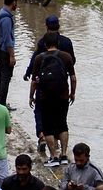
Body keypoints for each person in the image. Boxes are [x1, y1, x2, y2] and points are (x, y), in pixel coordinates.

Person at [27, 31, 76, 167]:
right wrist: (72, 93)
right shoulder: (66, 56)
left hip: (45, 97)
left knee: (48, 127)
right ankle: (64, 155)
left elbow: (34, 81)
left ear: (45, 44)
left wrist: (31, 96)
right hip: (63, 96)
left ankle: (54, 157)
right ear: (58, 43)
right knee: (62, 124)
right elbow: (72, 77)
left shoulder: (39, 58)